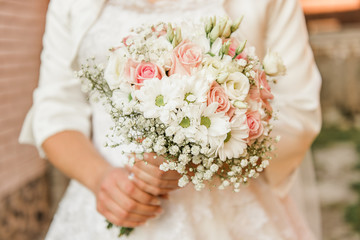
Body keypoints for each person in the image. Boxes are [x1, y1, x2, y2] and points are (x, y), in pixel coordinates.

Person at [19, 0, 322, 239]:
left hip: (228, 209)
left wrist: (198, 164)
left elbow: (299, 111)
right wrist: (101, 180)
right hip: (111, 203)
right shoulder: (70, 3)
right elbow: (55, 109)